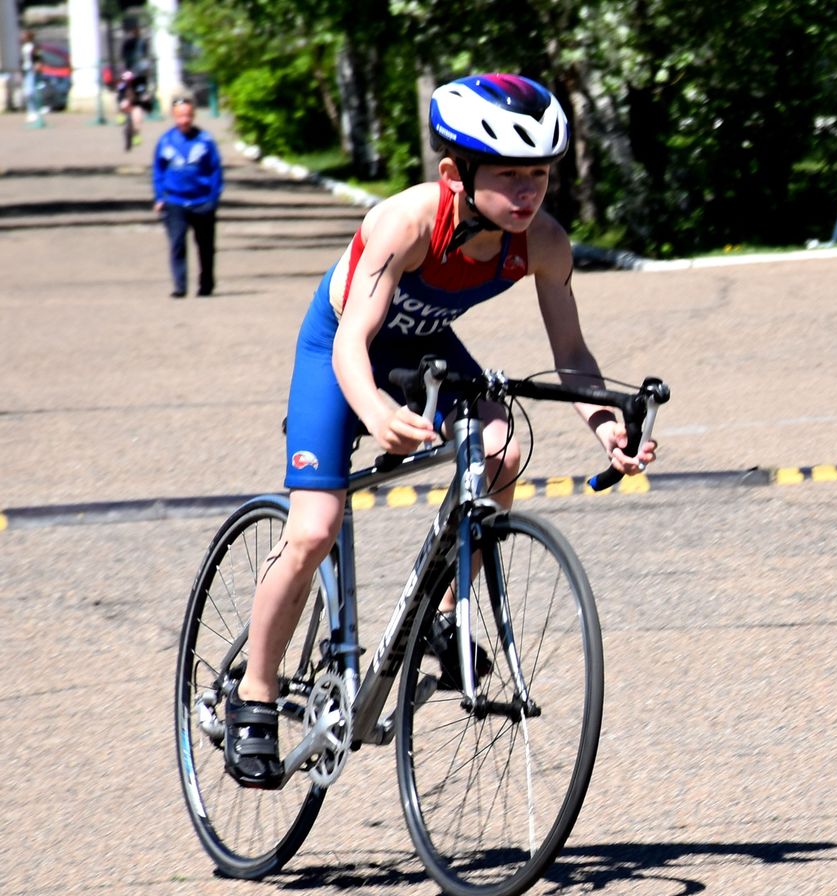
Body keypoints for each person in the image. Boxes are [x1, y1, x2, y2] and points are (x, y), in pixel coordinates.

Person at [222, 73, 657, 789]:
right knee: (314, 528)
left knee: (503, 452)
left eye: (540, 175)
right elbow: (351, 339)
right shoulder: (405, 223)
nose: (528, 192)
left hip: (425, 349)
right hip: (341, 351)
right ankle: (256, 694)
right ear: (455, 175)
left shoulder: (543, 242)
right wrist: (374, 412)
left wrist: (608, 428)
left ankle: (445, 616)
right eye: (509, 175)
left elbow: (573, 357)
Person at [151, 97, 223, 298]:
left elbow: (215, 170)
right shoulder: (166, 141)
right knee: (177, 244)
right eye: (180, 116)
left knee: (206, 247)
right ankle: (180, 286)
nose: (184, 120)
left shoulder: (205, 140)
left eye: (188, 115)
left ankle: (206, 285)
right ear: (173, 116)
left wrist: (213, 198)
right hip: (175, 201)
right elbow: (158, 171)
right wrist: (160, 197)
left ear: (194, 115)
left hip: (202, 201)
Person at [116, 69, 153, 149]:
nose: (128, 82)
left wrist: (145, 98)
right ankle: (121, 116)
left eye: (129, 80)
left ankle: (136, 134)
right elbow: (119, 98)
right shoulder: (122, 87)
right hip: (127, 105)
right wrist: (122, 103)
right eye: (126, 80)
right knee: (123, 103)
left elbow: (143, 94)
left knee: (137, 119)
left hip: (136, 105)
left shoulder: (138, 85)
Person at [20, 30, 44, 127]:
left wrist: (38, 64)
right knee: (27, 92)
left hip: (32, 71)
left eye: (24, 36)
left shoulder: (34, 46)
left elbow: (38, 57)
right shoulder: (23, 47)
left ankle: (36, 111)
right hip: (26, 70)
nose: (22, 37)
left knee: (32, 91)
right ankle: (31, 111)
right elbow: (22, 59)